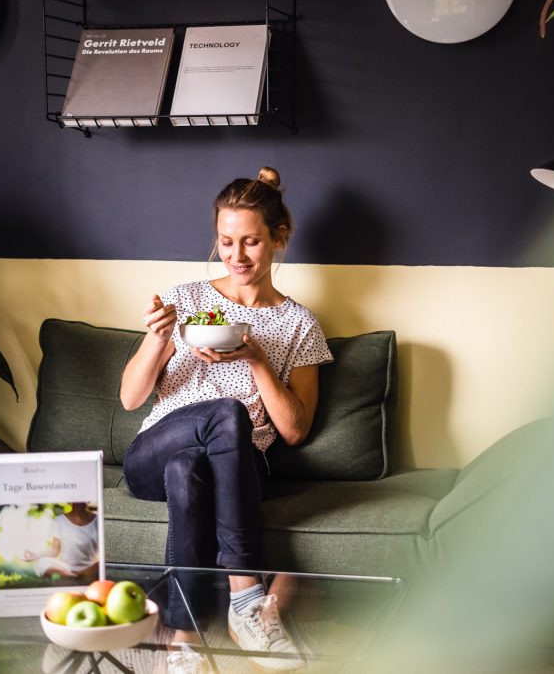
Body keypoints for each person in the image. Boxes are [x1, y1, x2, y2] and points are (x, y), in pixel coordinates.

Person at [120, 167, 333, 673]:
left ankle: (183, 642)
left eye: (252, 242)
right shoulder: (187, 299)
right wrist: (157, 338)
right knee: (217, 419)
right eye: (226, 242)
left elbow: (295, 430)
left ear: (278, 238)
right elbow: (131, 399)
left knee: (189, 471)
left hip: (239, 469)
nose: (237, 257)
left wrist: (257, 359)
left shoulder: (299, 324)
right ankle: (244, 594)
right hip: (155, 450)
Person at [23, 502, 100, 583]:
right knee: (41, 563)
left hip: (89, 568)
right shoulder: (59, 520)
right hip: (65, 568)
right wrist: (36, 556)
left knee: (103, 564)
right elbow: (54, 551)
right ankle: (75, 576)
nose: (79, 502)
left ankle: (73, 576)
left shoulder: (98, 519)